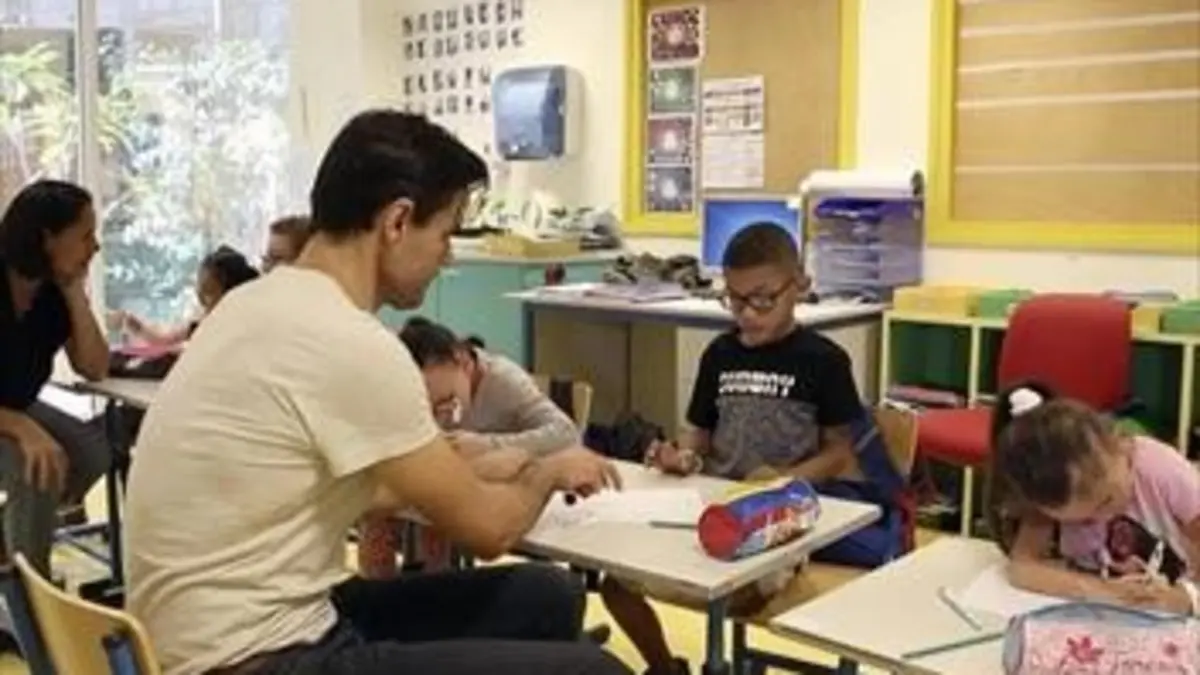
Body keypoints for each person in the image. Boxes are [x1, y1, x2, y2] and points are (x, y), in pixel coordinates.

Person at [124, 110, 632, 675]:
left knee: (546, 595)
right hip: (252, 658)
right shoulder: (349, 342)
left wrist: (484, 464)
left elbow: (379, 483)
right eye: (444, 234)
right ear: (397, 221)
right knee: (598, 672)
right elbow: (492, 530)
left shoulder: (255, 304)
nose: (446, 256)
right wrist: (547, 472)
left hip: (206, 633)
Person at [600, 222, 866, 675]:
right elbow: (699, 436)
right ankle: (666, 668)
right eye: (735, 299)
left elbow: (841, 454)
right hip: (709, 508)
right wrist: (681, 457)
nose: (747, 314)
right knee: (616, 583)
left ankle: (726, 663)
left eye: (762, 299)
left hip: (778, 521)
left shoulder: (824, 359)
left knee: (726, 586)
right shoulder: (720, 353)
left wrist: (783, 481)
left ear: (799, 286)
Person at [358, 315, 580, 579]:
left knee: (436, 516)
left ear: (462, 361)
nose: (439, 413)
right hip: (447, 482)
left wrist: (489, 445)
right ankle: (384, 601)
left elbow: (566, 434)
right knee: (377, 518)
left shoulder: (503, 380)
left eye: (446, 401)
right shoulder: (409, 385)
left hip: (500, 488)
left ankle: (437, 597)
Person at [990, 381, 1199, 616]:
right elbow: (1023, 567)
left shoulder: (1163, 471)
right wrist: (1102, 591)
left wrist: (1186, 600)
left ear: (1118, 445)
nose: (1104, 518)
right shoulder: (1053, 481)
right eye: (1083, 521)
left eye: (1107, 500)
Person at [0, 180, 111, 578]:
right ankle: (31, 601)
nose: (94, 247)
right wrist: (21, 427)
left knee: (94, 453)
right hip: (10, 411)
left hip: (16, 403)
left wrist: (74, 294)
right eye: (85, 235)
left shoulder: (50, 293)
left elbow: (94, 366)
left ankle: (13, 542)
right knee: (36, 469)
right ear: (47, 239)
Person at [112, 245, 260, 347]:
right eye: (199, 290)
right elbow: (165, 339)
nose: (200, 299)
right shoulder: (201, 325)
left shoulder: (243, 332)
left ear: (232, 294)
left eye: (208, 294)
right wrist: (140, 329)